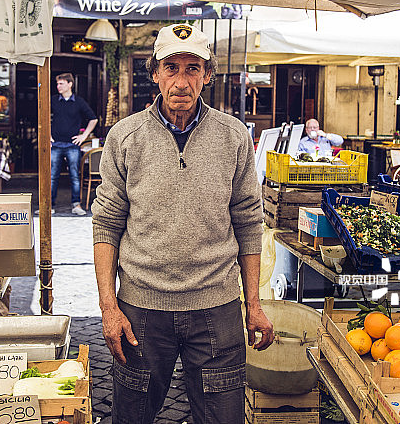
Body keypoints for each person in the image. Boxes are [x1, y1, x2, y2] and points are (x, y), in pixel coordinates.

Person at [92, 23, 274, 424]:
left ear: (207, 76)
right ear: (155, 73)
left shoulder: (234, 136)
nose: (181, 81)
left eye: (193, 68)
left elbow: (248, 221)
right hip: (141, 307)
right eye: (171, 67)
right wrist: (108, 305)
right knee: (132, 416)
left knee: (222, 418)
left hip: (217, 307)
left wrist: (255, 305)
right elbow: (106, 223)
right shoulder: (125, 136)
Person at [50, 72, 97, 215]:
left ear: (70, 84)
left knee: (75, 176)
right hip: (56, 144)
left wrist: (84, 136)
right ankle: (49, 206)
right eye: (57, 84)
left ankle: (76, 205)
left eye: (61, 83)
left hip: (72, 145)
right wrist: (47, 135)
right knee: (52, 176)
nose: (58, 86)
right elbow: (42, 116)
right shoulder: (53, 100)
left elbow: (93, 119)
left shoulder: (79, 102)